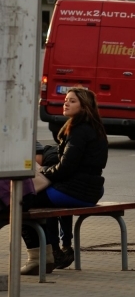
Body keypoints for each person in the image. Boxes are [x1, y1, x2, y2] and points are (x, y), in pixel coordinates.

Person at [20, 88, 109, 275]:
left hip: (76, 190)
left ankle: (43, 255)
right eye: (66, 100)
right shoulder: (92, 127)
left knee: (21, 202)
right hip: (89, 190)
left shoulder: (80, 130)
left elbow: (66, 167)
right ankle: (53, 250)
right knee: (41, 201)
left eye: (72, 101)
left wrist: (44, 173)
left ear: (84, 106)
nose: (66, 103)